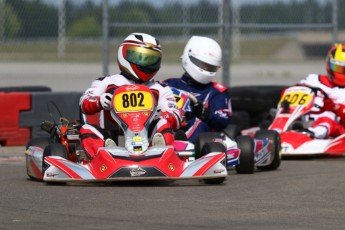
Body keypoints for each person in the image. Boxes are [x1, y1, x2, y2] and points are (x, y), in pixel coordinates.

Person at [79, 32, 182, 158]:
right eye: (140, 57)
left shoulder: (160, 88)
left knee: (163, 124)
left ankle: (160, 153)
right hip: (111, 136)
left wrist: (159, 113)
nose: (146, 64)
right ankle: (106, 154)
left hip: (148, 140)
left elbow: (176, 118)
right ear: (124, 54)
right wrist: (99, 102)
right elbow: (84, 103)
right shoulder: (106, 82)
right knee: (86, 129)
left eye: (151, 60)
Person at [164, 36, 232, 143]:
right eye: (203, 65)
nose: (206, 70)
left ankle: (180, 142)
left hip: (200, 144)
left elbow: (222, 121)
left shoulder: (216, 92)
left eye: (210, 67)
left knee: (198, 122)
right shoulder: (169, 84)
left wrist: (204, 112)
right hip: (168, 127)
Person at [298, 43, 345, 139]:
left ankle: (309, 135)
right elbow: (293, 92)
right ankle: (275, 132)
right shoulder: (312, 79)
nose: (341, 72)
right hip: (303, 118)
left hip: (334, 130)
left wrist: (334, 107)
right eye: (338, 68)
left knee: (326, 118)